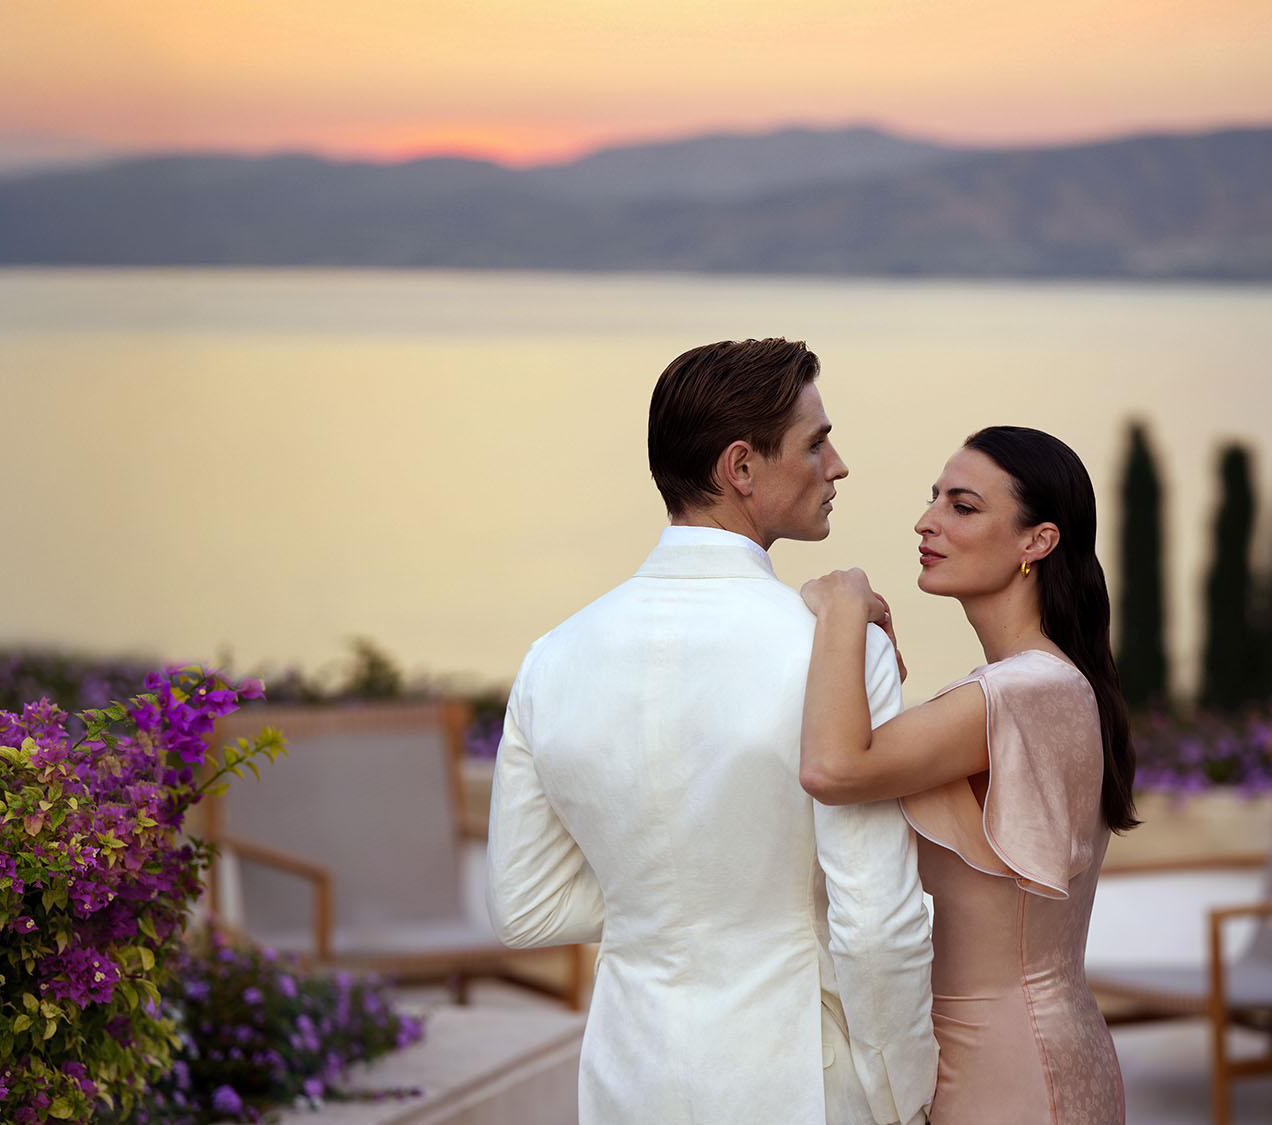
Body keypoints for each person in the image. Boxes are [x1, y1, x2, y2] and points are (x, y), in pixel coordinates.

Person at [486, 338, 938, 1125]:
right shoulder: (836, 648)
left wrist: (672, 898)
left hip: (629, 1078)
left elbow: (525, 907)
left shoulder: (551, 658)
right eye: (815, 442)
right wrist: (910, 1094)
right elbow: (875, 923)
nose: (837, 466)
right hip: (800, 1080)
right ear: (741, 467)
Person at [798, 425, 1139, 1124]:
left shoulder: (1026, 690)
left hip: (1011, 1071)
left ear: (1037, 541)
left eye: (962, 506)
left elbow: (833, 766)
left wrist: (841, 608)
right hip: (994, 1053)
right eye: (934, 499)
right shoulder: (1036, 687)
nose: (927, 522)